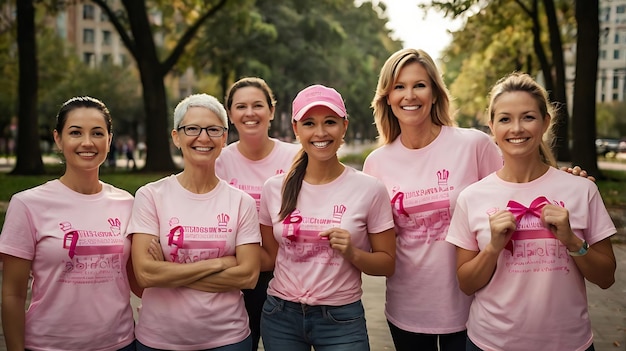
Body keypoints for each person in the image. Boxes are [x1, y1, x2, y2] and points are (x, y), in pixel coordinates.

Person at [446, 72, 616, 351]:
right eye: (504, 119)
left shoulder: (581, 189)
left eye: (528, 117)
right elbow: (466, 283)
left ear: (545, 122)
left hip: (569, 343)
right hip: (490, 343)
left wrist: (573, 241)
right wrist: (492, 248)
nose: (516, 128)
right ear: (492, 127)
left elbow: (607, 278)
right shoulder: (472, 197)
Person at [362, 48, 503, 350]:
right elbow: (375, 239)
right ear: (387, 96)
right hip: (408, 306)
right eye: (399, 87)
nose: (409, 95)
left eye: (419, 85)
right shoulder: (376, 163)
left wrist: (567, 182)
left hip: (473, 302)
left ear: (435, 93)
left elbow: (519, 186)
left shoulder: (473, 145)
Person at [258, 84, 396, 350]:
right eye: (309, 123)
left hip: (341, 319)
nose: (320, 132)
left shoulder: (369, 189)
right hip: (280, 317)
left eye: (330, 122)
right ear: (297, 129)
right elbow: (271, 257)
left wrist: (353, 252)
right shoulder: (273, 189)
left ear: (344, 126)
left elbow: (386, 264)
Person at [0, 96, 140, 351]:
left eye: (97, 133)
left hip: (119, 343)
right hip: (48, 345)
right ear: (58, 138)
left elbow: (137, 281)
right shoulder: (27, 204)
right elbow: (12, 294)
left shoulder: (127, 203)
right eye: (75, 132)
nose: (87, 142)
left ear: (109, 140)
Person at [127, 93, 261, 351]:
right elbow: (144, 274)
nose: (203, 137)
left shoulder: (241, 202)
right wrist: (221, 263)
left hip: (228, 339)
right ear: (176, 137)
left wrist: (167, 272)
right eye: (192, 129)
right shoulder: (151, 196)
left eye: (213, 129)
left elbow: (248, 275)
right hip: (159, 339)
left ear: (224, 138)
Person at [217, 77, 300, 351]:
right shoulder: (220, 161)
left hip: (288, 274)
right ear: (230, 114)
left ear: (271, 111)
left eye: (257, 105)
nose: (249, 113)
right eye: (241, 106)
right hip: (238, 272)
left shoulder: (296, 158)